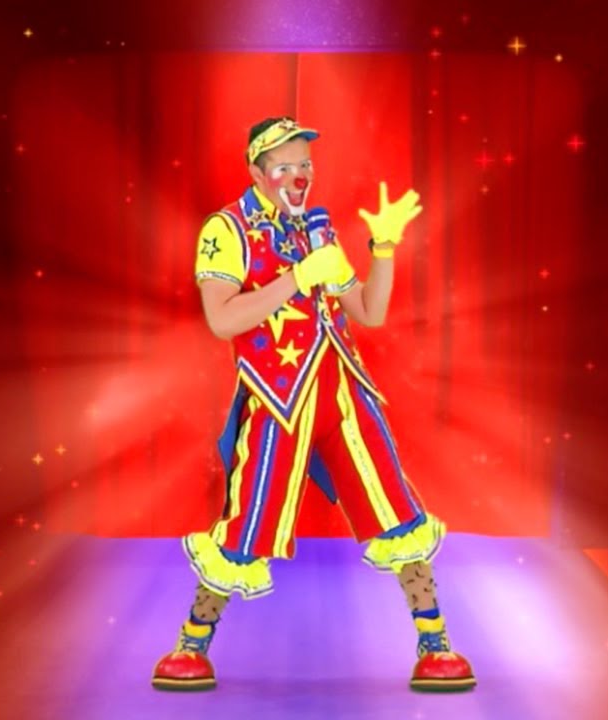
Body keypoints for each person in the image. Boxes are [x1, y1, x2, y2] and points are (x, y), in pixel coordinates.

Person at [151, 117, 474, 692]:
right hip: (277, 399)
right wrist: (298, 277)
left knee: (394, 506)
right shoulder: (227, 229)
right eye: (285, 165)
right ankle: (192, 643)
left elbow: (368, 311)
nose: (299, 175)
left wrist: (382, 248)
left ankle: (434, 642)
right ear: (257, 172)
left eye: (305, 164)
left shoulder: (318, 227)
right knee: (249, 520)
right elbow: (222, 319)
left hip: (343, 391)